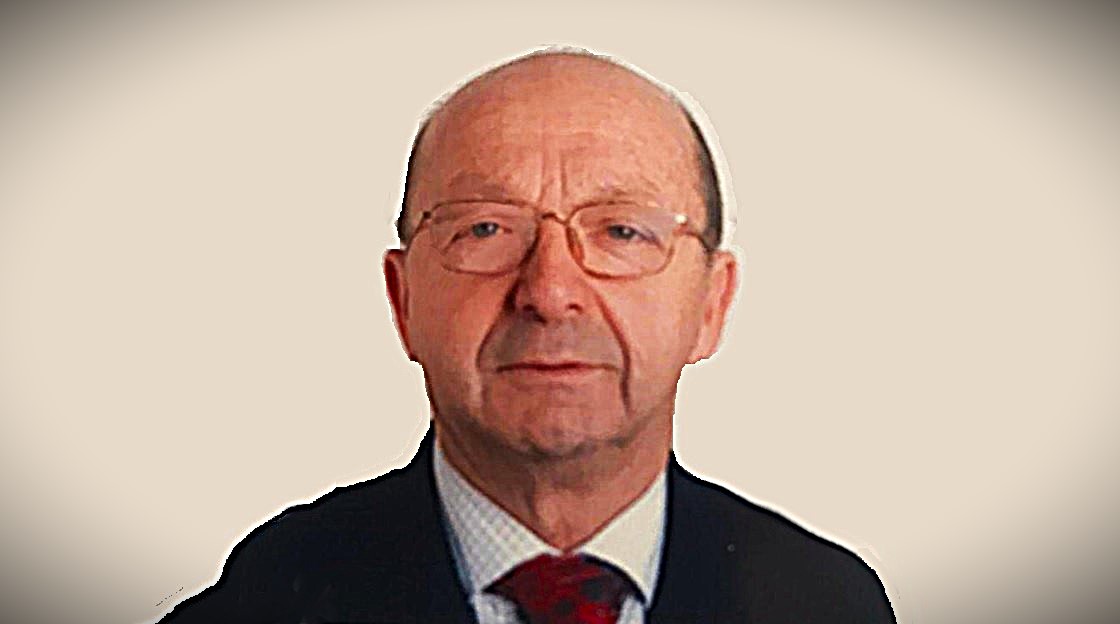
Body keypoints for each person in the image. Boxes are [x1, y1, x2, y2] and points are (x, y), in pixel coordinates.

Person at [159, 49, 895, 624]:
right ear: (403, 299)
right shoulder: (264, 601)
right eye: (485, 229)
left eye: (621, 232)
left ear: (712, 302)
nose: (549, 292)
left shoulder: (829, 606)